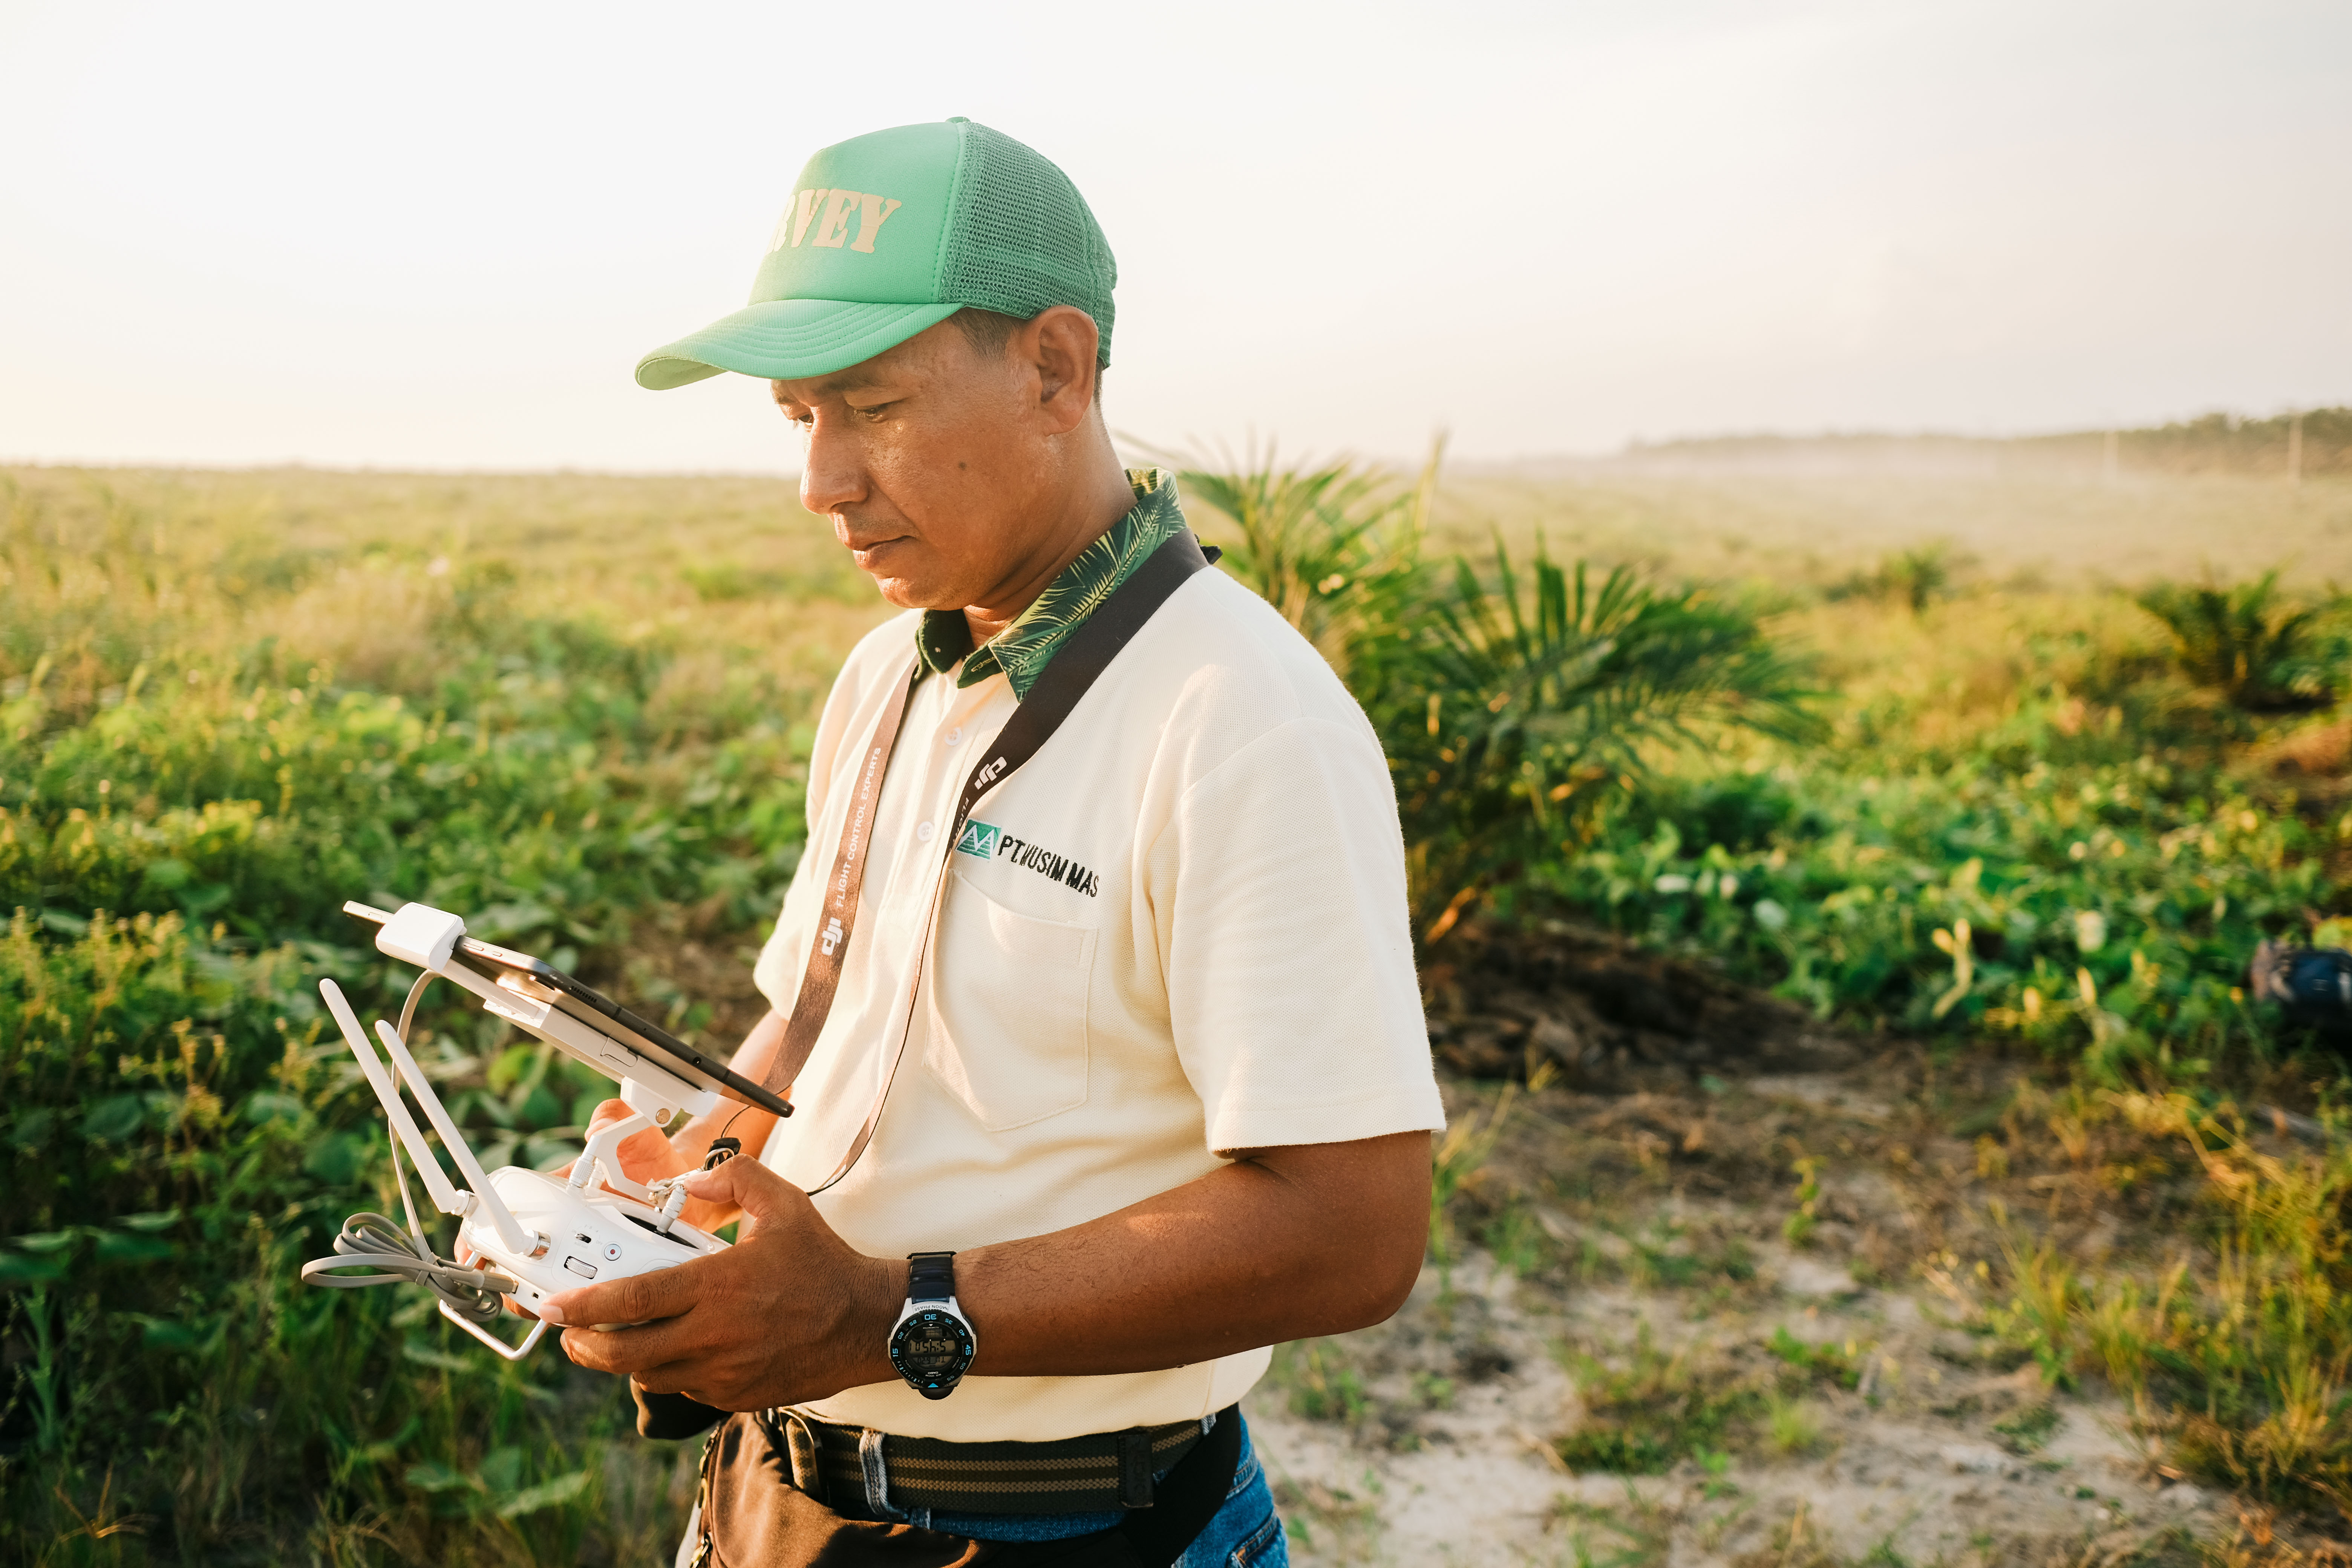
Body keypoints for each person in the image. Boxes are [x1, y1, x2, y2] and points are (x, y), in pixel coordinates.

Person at [536, 117, 1445, 1568]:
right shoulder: (892, 673)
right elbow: (812, 1023)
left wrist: (882, 1310)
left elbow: (1354, 1230)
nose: (820, 482)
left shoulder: (1244, 717)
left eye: (873, 406)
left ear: (1056, 370)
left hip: (1077, 1528)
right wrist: (680, 1168)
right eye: (796, 417)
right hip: (780, 1502)